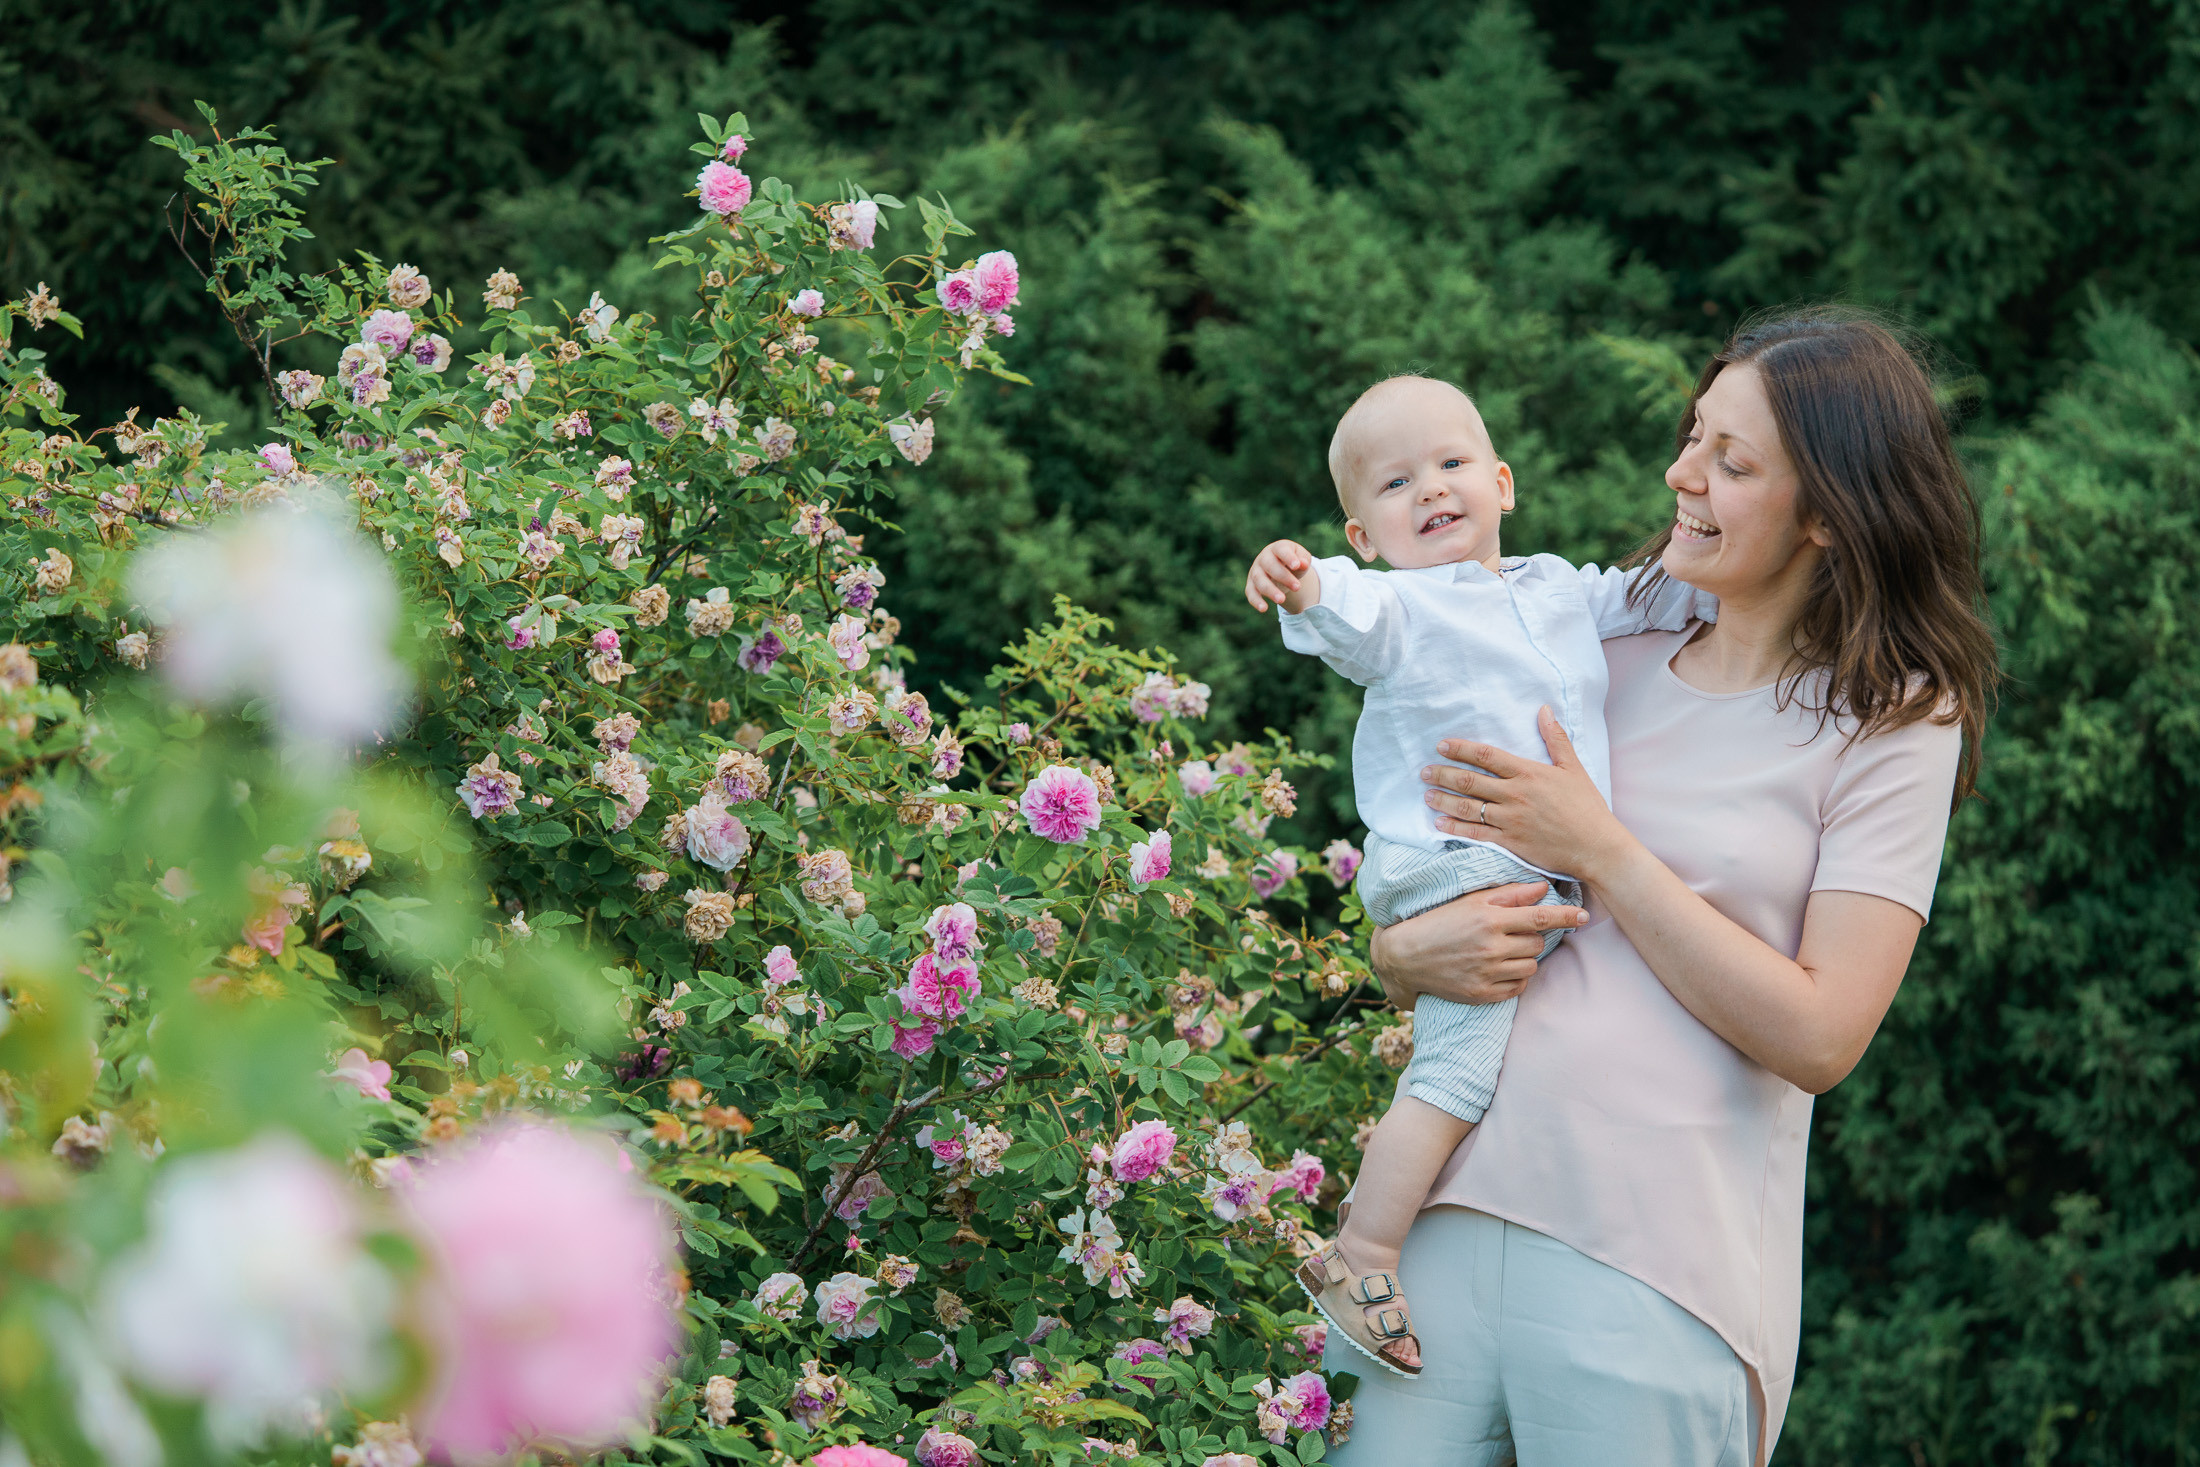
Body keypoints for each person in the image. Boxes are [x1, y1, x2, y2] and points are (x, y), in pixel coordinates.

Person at [1324, 311, 1998, 1467]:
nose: (1683, 474)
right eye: (1695, 436)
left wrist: (1606, 849)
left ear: (1832, 510)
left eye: (1732, 463)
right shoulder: (1583, 639)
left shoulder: (1894, 720)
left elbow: (1825, 1034)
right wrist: (1394, 959)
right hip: (1432, 1231)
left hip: (1653, 1267)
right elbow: (1436, 872)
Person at [1243, 375, 1707, 1375]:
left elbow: (1653, 593)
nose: (1430, 490)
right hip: (1453, 872)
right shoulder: (1398, 606)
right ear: (1364, 535)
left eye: (1451, 465)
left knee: (1481, 1057)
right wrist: (1300, 577)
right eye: (1396, 484)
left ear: (1501, 482)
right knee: (1456, 1067)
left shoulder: (1553, 588)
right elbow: (1344, 614)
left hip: (1520, 867)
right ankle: (1359, 1251)